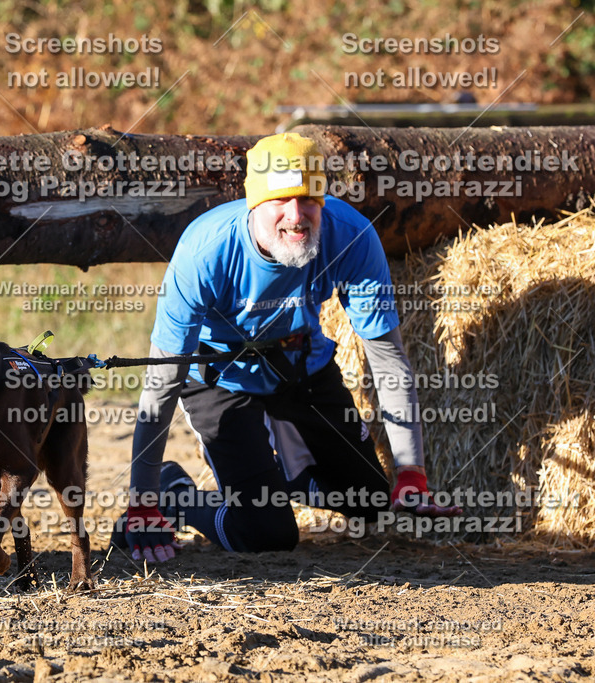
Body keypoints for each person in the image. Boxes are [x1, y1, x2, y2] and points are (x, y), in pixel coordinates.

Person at [113, 132, 461, 563]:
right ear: (253, 204)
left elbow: (388, 360)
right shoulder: (205, 252)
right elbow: (162, 384)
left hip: (301, 366)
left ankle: (283, 479)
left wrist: (411, 474)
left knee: (370, 501)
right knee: (264, 533)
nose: (297, 217)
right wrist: (142, 501)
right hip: (223, 379)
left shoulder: (351, 236)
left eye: (309, 200)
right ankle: (177, 493)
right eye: (280, 201)